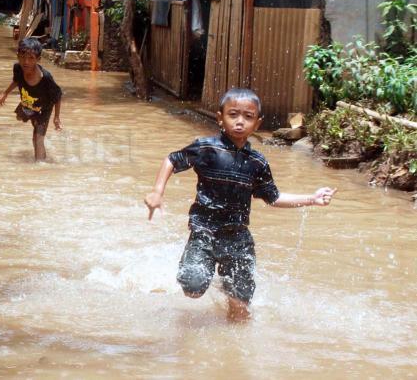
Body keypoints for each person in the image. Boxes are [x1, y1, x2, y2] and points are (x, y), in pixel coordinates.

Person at [144, 88, 337, 322]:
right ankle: (204, 271)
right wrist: (157, 191)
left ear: (258, 123)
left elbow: (273, 197)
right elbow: (172, 160)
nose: (239, 122)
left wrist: (311, 199)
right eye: (233, 114)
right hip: (204, 232)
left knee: (241, 308)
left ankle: (231, 316)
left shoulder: (257, 162)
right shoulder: (207, 149)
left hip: (238, 238)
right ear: (219, 118)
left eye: (248, 117)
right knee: (192, 288)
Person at [0, 38, 62, 161]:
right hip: (28, 103)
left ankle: (40, 165)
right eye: (22, 57)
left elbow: (58, 96)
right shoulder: (18, 68)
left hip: (44, 109)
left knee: (37, 137)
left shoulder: (45, 78)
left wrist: (56, 117)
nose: (26, 62)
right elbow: (16, 80)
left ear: (38, 59)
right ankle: (30, 119)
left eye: (31, 58)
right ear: (18, 56)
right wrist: (5, 93)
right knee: (22, 117)